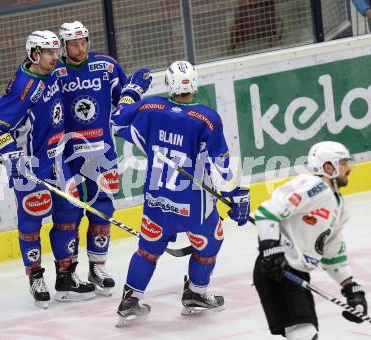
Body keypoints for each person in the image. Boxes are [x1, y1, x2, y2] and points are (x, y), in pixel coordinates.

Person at [110, 61, 251, 326]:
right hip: (193, 205)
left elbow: (117, 120)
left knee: (147, 251)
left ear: (169, 83)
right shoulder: (207, 118)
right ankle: (196, 293)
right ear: (194, 83)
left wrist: (131, 92)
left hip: (156, 200)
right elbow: (220, 164)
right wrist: (235, 196)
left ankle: (129, 300)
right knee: (210, 244)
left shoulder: (150, 108)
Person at [0, 30, 95, 308]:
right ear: (34, 54)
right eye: (48, 52)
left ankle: (65, 275)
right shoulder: (24, 87)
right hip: (31, 167)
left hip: (60, 162)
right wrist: (14, 157)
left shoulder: (54, 71)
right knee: (31, 223)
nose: (54, 57)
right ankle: (35, 277)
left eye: (55, 52)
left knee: (70, 214)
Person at [253, 141, 368, 339]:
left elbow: (333, 255)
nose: (349, 169)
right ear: (328, 166)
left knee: (307, 335)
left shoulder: (341, 208)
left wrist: (350, 288)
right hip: (277, 270)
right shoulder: (312, 186)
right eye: (343, 163)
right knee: (304, 335)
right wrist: (270, 250)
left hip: (297, 275)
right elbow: (268, 212)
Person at [56, 21, 133, 296]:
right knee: (69, 214)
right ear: (64, 46)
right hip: (67, 157)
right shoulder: (55, 72)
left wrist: (133, 95)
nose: (80, 48)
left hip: (103, 154)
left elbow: (125, 100)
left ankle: (97, 267)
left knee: (103, 210)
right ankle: (67, 273)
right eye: (74, 44)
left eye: (84, 42)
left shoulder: (106, 66)